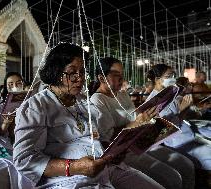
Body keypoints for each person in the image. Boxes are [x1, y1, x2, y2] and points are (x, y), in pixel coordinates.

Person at [13, 43, 165, 189]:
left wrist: (113, 151)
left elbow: (96, 138)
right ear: (56, 72)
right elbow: (24, 160)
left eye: (83, 72)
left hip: (104, 168)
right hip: (67, 180)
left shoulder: (83, 102)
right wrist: (73, 167)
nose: (80, 78)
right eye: (72, 72)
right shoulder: (36, 107)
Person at [89, 57, 195, 189]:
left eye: (122, 75)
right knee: (172, 178)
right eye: (116, 75)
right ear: (102, 78)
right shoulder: (97, 100)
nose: (121, 79)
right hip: (124, 153)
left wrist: (148, 117)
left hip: (140, 143)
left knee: (184, 167)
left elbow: (135, 118)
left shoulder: (123, 95)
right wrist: (135, 123)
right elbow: (108, 138)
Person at [146, 64, 211, 187]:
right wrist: (181, 110)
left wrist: (185, 109)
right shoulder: (152, 101)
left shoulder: (171, 96)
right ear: (157, 79)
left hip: (186, 136)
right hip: (174, 142)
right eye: (169, 76)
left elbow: (180, 118)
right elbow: (161, 132)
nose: (173, 79)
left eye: (173, 76)